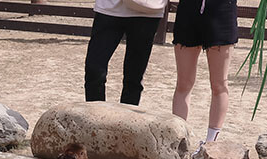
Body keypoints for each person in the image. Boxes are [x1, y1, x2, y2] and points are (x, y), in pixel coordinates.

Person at [172, 0, 239, 143]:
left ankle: (210, 143)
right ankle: (179, 139)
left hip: (222, 13)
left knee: (218, 84)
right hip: (189, 12)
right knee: (183, 83)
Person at [84, 0, 164, 106]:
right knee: (94, 69)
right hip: (108, 8)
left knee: (134, 76)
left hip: (147, 10)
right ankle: (95, 115)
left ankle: (128, 119)